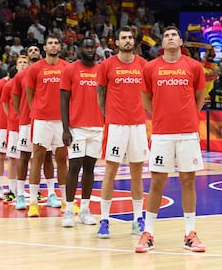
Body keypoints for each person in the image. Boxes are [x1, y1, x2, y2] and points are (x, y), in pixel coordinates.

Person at [136, 25, 206, 253]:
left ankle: (190, 233)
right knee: (157, 182)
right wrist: (159, 116)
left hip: (187, 133)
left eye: (174, 35)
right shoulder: (150, 67)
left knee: (188, 180)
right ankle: (148, 233)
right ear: (162, 43)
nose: (170, 38)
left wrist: (188, 118)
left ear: (181, 41)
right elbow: (146, 98)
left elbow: (199, 97)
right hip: (161, 133)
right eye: (166, 36)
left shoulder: (194, 67)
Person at [96, 25, 149, 238]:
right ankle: (104, 220)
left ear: (134, 41)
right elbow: (101, 94)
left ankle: (138, 219)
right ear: (116, 42)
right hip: (116, 126)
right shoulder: (106, 65)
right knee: (110, 172)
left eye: (130, 37)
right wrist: (108, 116)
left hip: (137, 125)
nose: (127, 40)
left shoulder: (144, 65)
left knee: (137, 173)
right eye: (123, 38)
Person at [60, 37, 102, 227]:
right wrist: (65, 128)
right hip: (76, 127)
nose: (90, 49)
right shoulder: (70, 69)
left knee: (90, 168)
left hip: (97, 127)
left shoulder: (101, 70)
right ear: (80, 49)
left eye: (92, 46)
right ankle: (69, 210)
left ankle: (85, 210)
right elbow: (63, 100)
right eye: (86, 46)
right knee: (74, 166)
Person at [26, 35, 69, 217]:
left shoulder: (67, 67)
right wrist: (38, 112)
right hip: (42, 120)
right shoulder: (35, 69)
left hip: (60, 121)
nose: (53, 45)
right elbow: (29, 94)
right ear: (45, 47)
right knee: (38, 158)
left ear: (60, 47)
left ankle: (67, 201)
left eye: (56, 43)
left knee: (61, 160)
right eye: (50, 43)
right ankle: (33, 203)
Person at [12, 45, 53, 210]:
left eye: (36, 50)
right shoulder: (20, 76)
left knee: (48, 156)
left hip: (46, 120)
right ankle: (21, 195)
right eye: (31, 51)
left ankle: (51, 193)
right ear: (26, 56)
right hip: (27, 122)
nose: (34, 52)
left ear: (41, 53)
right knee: (24, 156)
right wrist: (24, 113)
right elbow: (15, 100)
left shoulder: (46, 71)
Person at [0, 57, 29, 202]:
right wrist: (13, 117)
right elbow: (5, 105)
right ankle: (11, 190)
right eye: (20, 62)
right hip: (14, 127)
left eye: (25, 62)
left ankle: (23, 189)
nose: (23, 64)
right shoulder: (8, 85)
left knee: (28, 159)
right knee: (13, 159)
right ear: (16, 66)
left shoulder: (32, 81)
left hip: (29, 125)